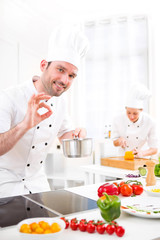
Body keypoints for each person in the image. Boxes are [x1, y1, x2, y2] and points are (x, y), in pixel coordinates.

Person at [0, 25, 89, 198]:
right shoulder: (9, 97)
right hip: (5, 187)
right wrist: (25, 125)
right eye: (60, 69)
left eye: (71, 76)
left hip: (38, 185)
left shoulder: (60, 102)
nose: (64, 80)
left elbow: (66, 135)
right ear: (43, 65)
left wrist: (78, 136)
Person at [112, 82, 158, 158]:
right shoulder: (118, 120)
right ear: (125, 109)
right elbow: (115, 142)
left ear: (141, 110)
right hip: (123, 158)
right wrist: (119, 141)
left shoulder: (150, 122)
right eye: (128, 112)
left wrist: (142, 153)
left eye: (135, 113)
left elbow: (154, 148)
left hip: (142, 159)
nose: (131, 116)